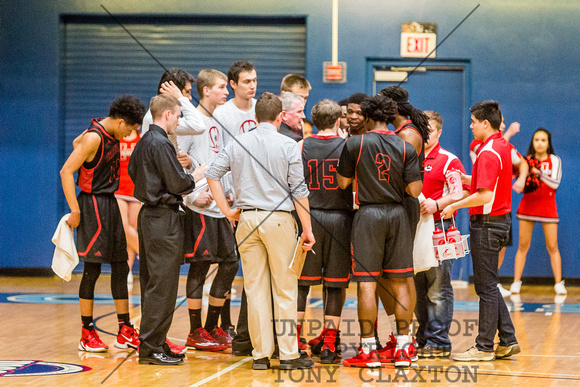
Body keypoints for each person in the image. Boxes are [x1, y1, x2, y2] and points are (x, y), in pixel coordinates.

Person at [206, 92, 315, 371]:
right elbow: (299, 190)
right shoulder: (288, 145)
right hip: (278, 220)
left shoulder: (238, 142)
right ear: (280, 117)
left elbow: (212, 174)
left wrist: (227, 211)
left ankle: (260, 355)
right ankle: (289, 355)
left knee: (254, 289)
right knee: (285, 289)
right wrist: (307, 229)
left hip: (247, 221)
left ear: (255, 116)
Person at [337, 94, 422, 368]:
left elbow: (343, 183)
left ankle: (369, 351)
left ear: (368, 116)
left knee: (367, 283)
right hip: (397, 214)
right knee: (399, 282)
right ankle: (404, 349)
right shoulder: (405, 145)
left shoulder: (355, 143)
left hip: (369, 214)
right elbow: (415, 190)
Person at [60, 95, 146, 353]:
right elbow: (66, 171)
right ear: (120, 122)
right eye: (130, 129)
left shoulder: (103, 133)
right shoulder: (94, 137)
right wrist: (74, 210)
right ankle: (87, 332)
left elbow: (77, 143)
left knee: (120, 267)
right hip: (92, 204)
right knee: (92, 271)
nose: (131, 134)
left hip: (111, 201)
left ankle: (125, 329)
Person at [129, 94, 205, 365]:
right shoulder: (161, 143)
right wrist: (198, 174)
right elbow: (179, 184)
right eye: (178, 116)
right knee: (163, 286)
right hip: (163, 219)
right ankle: (151, 349)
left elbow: (131, 171)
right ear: (168, 115)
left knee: (154, 283)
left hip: (149, 216)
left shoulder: (144, 142)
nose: (179, 121)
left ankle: (155, 344)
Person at [441, 100, 520, 362]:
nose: (471, 126)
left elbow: (484, 196)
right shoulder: (502, 146)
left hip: (487, 224)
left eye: (473, 122)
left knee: (485, 289)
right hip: (501, 222)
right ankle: (507, 339)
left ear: (486, 123)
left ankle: (484, 346)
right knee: (491, 286)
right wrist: (467, 179)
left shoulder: (487, 152)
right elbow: (493, 182)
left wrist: (455, 204)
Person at [177, 69, 237, 351]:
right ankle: (194, 330)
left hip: (220, 207)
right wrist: (190, 196)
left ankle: (214, 326)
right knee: (200, 267)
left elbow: (220, 160)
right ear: (206, 91)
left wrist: (229, 190)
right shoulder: (193, 122)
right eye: (222, 87)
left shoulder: (220, 120)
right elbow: (179, 162)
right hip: (200, 209)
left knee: (230, 262)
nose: (226, 92)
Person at [296, 99, 352, 364]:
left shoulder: (302, 145)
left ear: (314, 121)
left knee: (302, 282)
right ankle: (330, 342)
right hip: (340, 219)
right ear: (338, 121)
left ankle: (296, 340)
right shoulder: (347, 146)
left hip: (310, 217)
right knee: (335, 284)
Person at [377, 85, 430, 357]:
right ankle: (396, 336)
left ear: (393, 107)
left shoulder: (409, 134)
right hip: (392, 205)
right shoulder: (398, 132)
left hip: (403, 205)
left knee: (401, 272)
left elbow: (399, 177)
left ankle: (405, 341)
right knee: (384, 274)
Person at [415, 111, 470, 358]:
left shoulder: (449, 160)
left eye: (430, 130)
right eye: (421, 129)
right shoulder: (409, 155)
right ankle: (423, 335)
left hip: (440, 231)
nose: (425, 134)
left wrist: (436, 204)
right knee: (416, 287)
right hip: (413, 232)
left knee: (437, 287)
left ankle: (438, 341)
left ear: (439, 132)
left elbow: (459, 193)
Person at [469, 117, 528, 297]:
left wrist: (521, 178)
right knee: (487, 287)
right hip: (486, 214)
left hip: (499, 214)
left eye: (503, 122)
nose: (502, 125)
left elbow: (522, 163)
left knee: (488, 284)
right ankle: (493, 283)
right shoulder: (479, 147)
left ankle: (494, 281)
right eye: (500, 122)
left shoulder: (505, 147)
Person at [511, 128, 565, 295]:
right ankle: (516, 282)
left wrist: (538, 173)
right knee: (522, 246)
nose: (539, 143)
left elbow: (555, 183)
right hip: (528, 206)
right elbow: (518, 180)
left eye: (543, 140)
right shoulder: (525, 161)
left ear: (548, 143)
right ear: (532, 142)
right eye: (536, 140)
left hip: (548, 206)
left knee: (552, 245)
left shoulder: (555, 160)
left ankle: (558, 283)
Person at [141, 68, 206, 144]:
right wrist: (180, 98)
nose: (190, 97)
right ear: (173, 92)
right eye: (187, 92)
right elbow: (199, 127)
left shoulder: (165, 114)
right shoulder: (157, 117)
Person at [115, 129, 141, 285]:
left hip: (135, 191)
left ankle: (127, 270)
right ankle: (145, 254)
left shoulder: (141, 137)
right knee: (124, 227)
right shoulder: (117, 137)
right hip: (118, 189)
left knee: (132, 228)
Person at [214, 61, 258, 146]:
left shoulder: (261, 108)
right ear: (233, 84)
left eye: (254, 80)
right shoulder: (220, 114)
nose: (253, 86)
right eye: (247, 82)